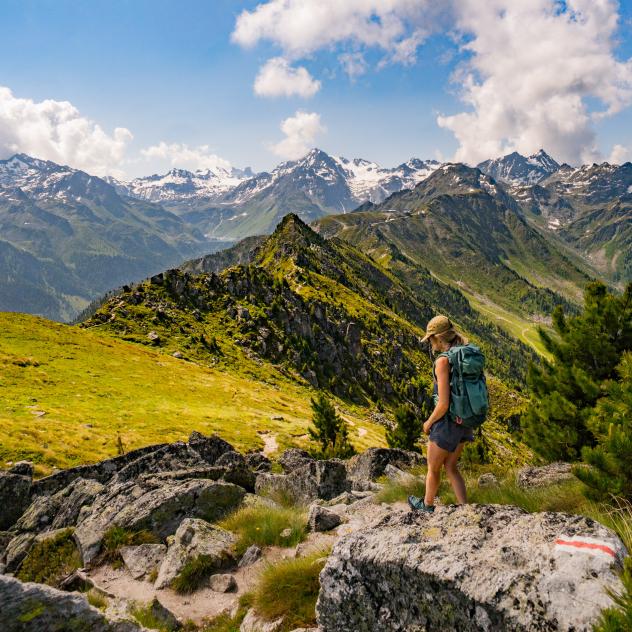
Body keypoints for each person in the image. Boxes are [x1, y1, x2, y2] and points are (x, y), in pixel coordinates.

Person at [408, 315, 473, 513]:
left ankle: (426, 506)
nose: (429, 343)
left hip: (446, 422)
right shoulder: (465, 354)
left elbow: (443, 403)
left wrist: (428, 423)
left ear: (437, 338)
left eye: (430, 339)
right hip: (465, 420)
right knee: (451, 467)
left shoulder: (443, 361)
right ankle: (465, 508)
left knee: (433, 468)